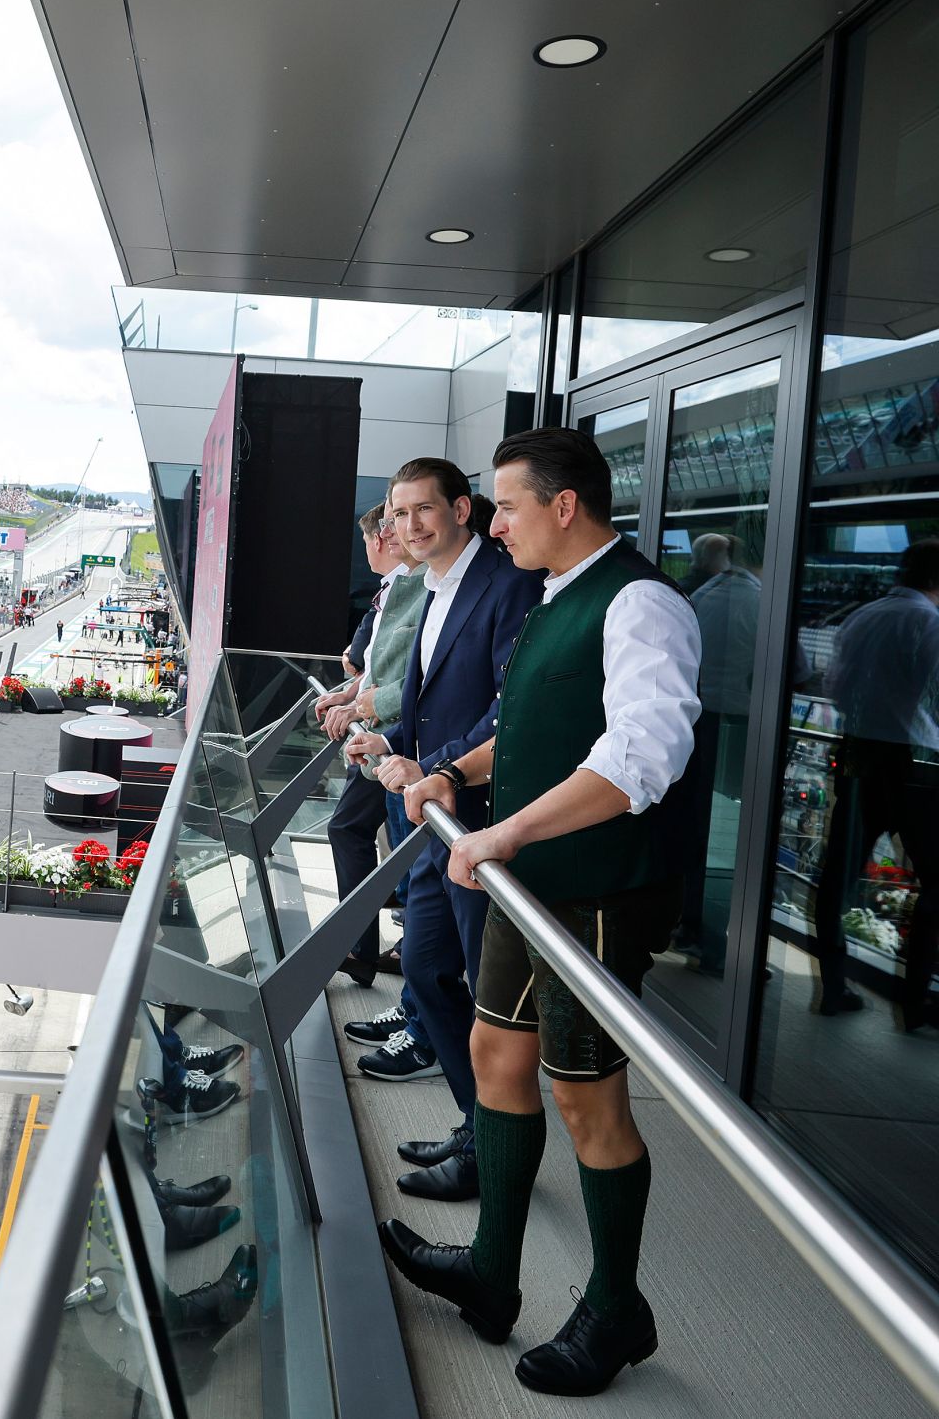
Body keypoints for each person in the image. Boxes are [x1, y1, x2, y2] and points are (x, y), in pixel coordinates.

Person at [379, 427, 700, 1397]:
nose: (497, 522)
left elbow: (641, 756)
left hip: (593, 890)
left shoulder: (639, 602)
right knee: (494, 1056)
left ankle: (614, 1307)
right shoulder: (555, 598)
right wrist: (449, 772)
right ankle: (491, 1268)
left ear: (564, 506)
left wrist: (503, 831)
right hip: (530, 885)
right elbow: (520, 724)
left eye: (508, 506)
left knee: (584, 1098)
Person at [342, 456, 542, 1200]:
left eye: (424, 509)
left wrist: (445, 770)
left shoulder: (507, 582)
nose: (409, 526)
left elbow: (508, 709)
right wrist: (396, 748)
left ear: (464, 509)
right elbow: (432, 701)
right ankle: (476, 1124)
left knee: (485, 998)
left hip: (479, 819)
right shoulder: (432, 585)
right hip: (437, 815)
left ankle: (493, 1149)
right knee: (426, 970)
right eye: (398, 515)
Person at [812, 538, 939, 1030]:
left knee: (837, 878)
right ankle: (914, 1003)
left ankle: (833, 986)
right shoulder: (928, 623)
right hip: (916, 767)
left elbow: (834, 688)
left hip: (860, 756)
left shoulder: (863, 616)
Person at [319, 502, 426, 983]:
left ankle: (372, 952)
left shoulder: (419, 587)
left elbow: (406, 677)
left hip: (402, 746)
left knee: (386, 846)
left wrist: (359, 706)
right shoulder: (399, 587)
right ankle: (369, 950)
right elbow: (374, 665)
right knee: (386, 846)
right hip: (385, 742)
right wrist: (351, 694)